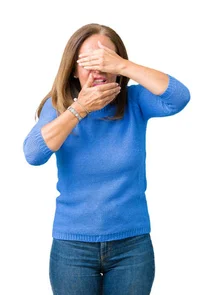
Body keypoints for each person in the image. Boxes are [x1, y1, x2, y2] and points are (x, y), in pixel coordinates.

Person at [23, 23, 190, 294]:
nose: (98, 70)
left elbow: (179, 97)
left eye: (106, 61)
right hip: (73, 248)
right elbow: (33, 154)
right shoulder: (58, 106)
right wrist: (79, 109)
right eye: (89, 61)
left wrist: (124, 66)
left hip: (131, 246)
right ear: (74, 69)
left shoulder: (135, 101)